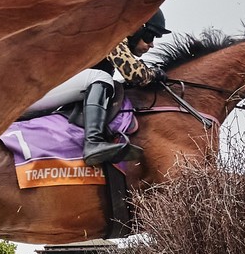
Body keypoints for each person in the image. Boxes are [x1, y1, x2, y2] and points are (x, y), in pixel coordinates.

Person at [24, 9, 171, 166]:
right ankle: (93, 143)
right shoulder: (111, 33)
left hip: (41, 93)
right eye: (150, 36)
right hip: (29, 96)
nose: (152, 44)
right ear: (136, 27)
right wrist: (154, 73)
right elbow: (136, 75)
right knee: (101, 77)